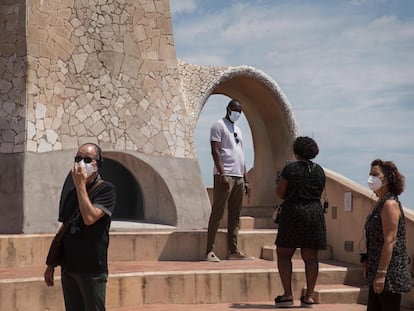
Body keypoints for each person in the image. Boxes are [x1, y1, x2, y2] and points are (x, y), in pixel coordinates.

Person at [44, 143, 116, 311]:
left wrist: (81, 186)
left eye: (87, 159)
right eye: (78, 159)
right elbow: (65, 228)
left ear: (98, 164)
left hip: (91, 269)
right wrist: (51, 264)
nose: (81, 163)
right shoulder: (72, 192)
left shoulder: (106, 190)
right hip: (69, 267)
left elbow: (89, 218)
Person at [274, 136, 327, 308]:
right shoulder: (319, 171)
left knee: (284, 254)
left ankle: (288, 295)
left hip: (293, 213)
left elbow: (281, 193)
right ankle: (309, 296)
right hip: (314, 214)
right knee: (311, 258)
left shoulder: (290, 170)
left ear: (296, 152)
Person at [204, 99, 253, 262]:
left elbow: (241, 155)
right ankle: (209, 251)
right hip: (224, 175)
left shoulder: (238, 129)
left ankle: (233, 250)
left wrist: (246, 179)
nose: (237, 113)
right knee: (218, 212)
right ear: (228, 109)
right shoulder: (218, 125)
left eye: (239, 111)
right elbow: (215, 151)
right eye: (234, 110)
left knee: (235, 214)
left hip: (239, 176)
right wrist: (222, 174)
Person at [364, 159, 411, 311]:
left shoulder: (390, 204)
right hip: (376, 268)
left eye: (375, 174)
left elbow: (390, 241)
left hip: (389, 273)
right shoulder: (380, 202)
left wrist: (381, 274)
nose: (371, 178)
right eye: (370, 174)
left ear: (387, 179)